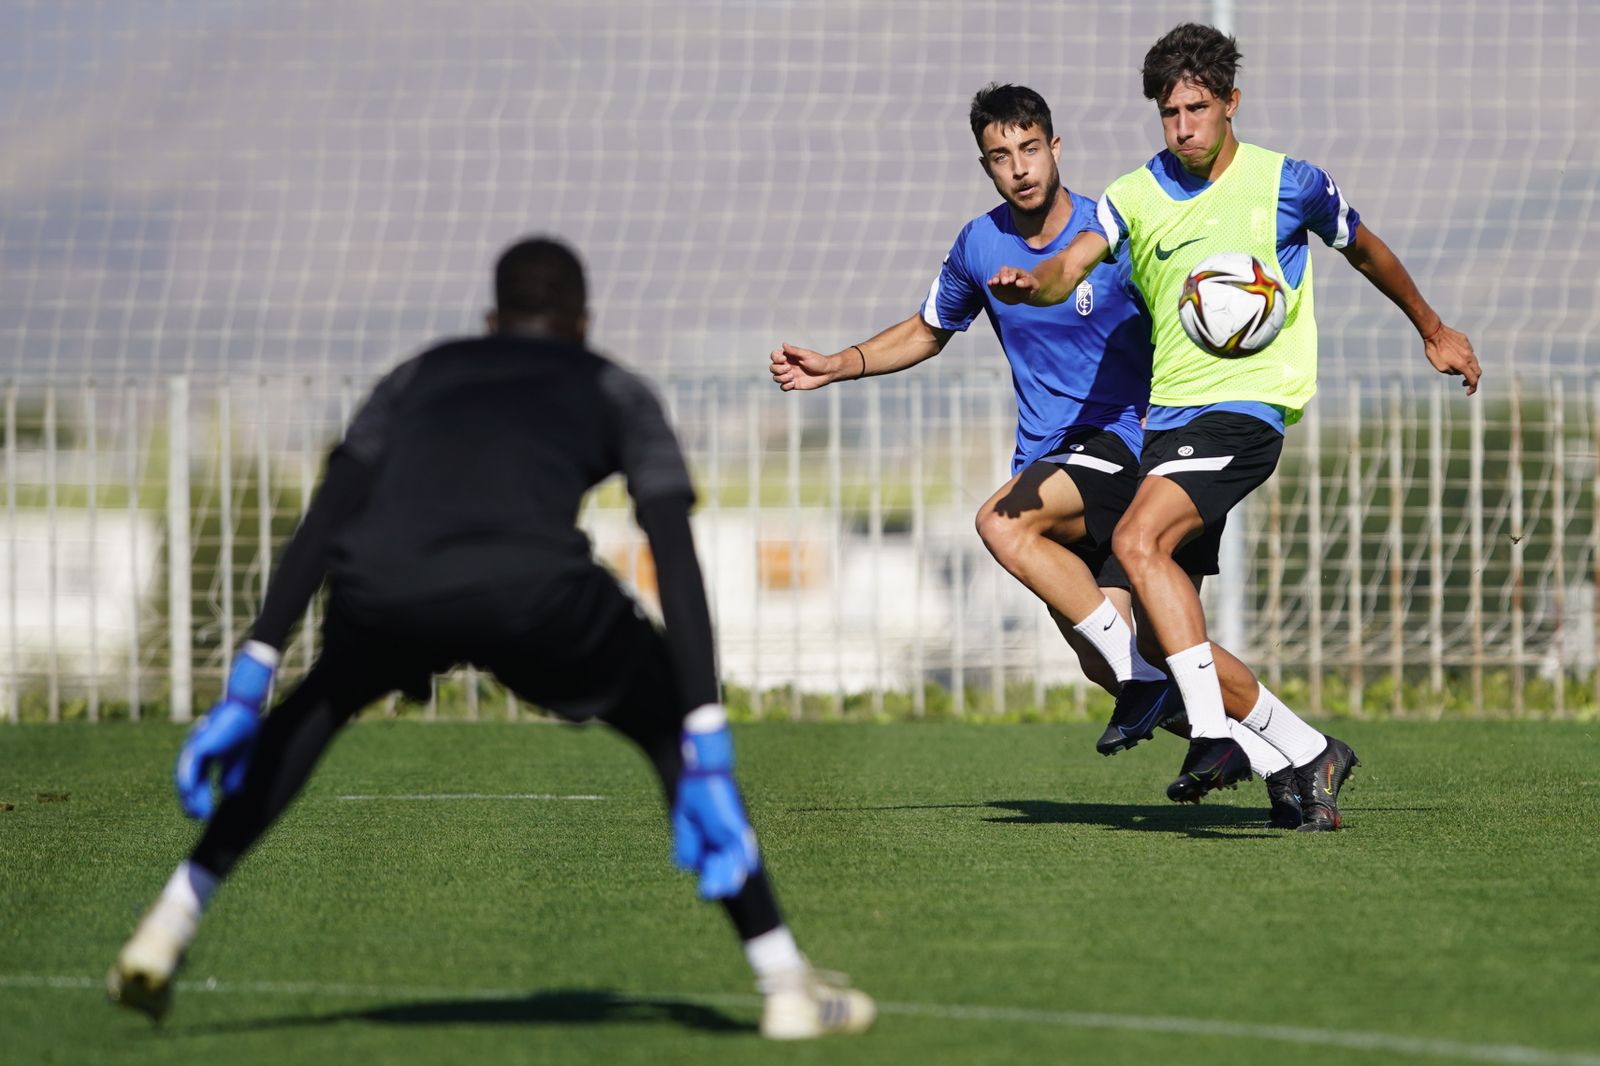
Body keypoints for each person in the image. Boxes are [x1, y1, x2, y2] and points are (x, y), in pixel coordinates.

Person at [106, 237, 874, 1040]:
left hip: (384, 587)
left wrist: (251, 673)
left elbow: (330, 511)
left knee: (318, 705)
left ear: (490, 318)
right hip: (534, 595)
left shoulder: (422, 371)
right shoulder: (613, 384)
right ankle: (784, 981)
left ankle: (170, 920)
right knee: (662, 721)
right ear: (582, 322)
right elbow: (671, 549)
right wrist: (703, 730)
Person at [988, 24, 1482, 831]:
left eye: (1196, 108)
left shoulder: (1290, 183)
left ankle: (1215, 737)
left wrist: (1432, 327)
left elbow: (1367, 250)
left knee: (1140, 544)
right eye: (1168, 112)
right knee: (1131, 639)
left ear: (1229, 104)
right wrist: (1033, 284)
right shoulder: (1133, 195)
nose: (1182, 126)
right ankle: (1305, 754)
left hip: (1247, 411)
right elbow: (1071, 262)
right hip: (1168, 430)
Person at [768, 83, 1298, 823]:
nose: (1017, 167)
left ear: (1055, 147)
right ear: (986, 167)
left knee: (1002, 525)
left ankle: (1167, 691)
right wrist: (839, 363)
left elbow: (1190, 314)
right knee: (1121, 657)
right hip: (1053, 459)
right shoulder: (979, 245)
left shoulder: (1109, 231)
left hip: (1131, 445)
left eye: (1027, 148)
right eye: (998, 157)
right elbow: (927, 330)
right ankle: (1296, 752)